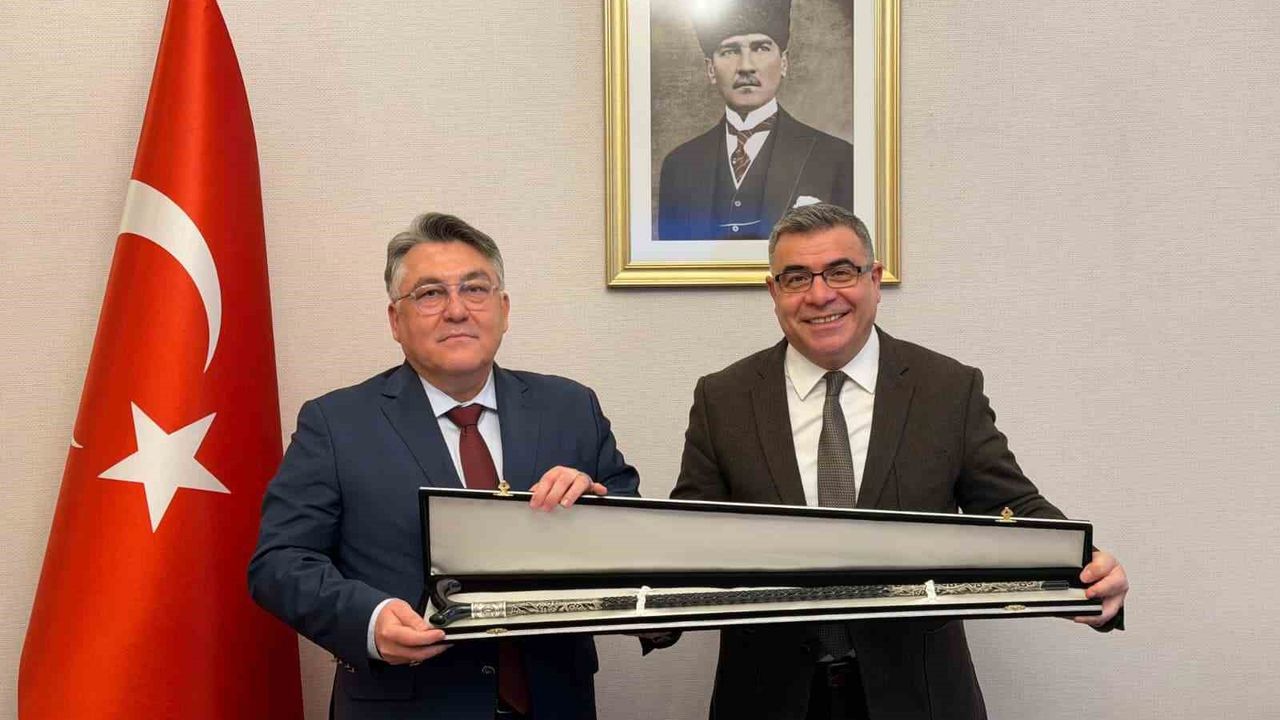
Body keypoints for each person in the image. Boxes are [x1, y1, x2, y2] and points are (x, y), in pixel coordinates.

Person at [668, 203, 1128, 719]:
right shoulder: (723, 399)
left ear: (874, 280)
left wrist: (1087, 570)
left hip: (918, 695)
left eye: (841, 271)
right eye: (796, 278)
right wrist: (622, 593)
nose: (820, 295)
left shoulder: (947, 389)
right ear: (774, 293)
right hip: (766, 698)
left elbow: (1010, 507)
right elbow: (688, 538)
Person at [248, 213, 639, 720]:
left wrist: (598, 513)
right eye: (430, 294)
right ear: (396, 320)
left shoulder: (570, 407)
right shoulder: (336, 423)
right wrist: (369, 621)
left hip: (555, 701)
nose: (457, 310)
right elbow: (280, 562)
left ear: (503, 309)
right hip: (404, 704)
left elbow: (643, 538)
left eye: (475, 289)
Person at [657, 0, 854, 241]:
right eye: (730, 51)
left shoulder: (836, 159)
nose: (746, 67)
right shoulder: (679, 166)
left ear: (784, 63)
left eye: (760, 48)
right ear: (710, 69)